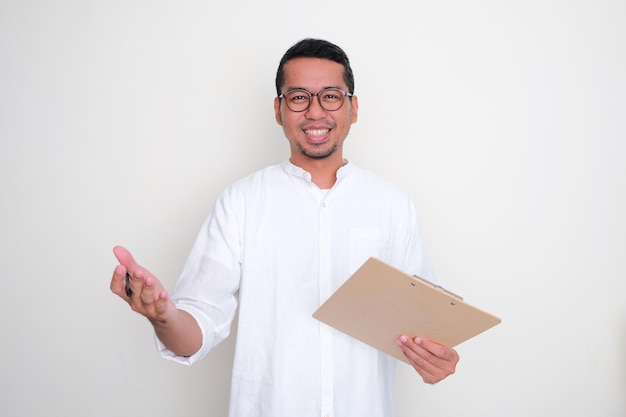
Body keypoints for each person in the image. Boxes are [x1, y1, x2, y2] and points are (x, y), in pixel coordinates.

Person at [110, 38, 459, 417]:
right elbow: (194, 333)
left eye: (331, 96)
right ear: (278, 110)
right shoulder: (241, 202)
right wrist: (163, 316)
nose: (315, 112)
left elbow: (426, 326)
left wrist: (437, 357)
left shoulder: (393, 205)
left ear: (353, 108)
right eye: (298, 97)